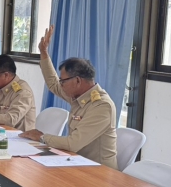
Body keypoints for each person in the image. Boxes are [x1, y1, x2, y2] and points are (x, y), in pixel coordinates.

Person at [20, 26, 118, 168]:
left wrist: (41, 137)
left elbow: (73, 144)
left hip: (98, 171)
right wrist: (44, 53)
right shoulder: (78, 96)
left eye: (63, 81)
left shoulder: (102, 106)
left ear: (77, 80)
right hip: (77, 161)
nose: (61, 85)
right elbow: (53, 84)